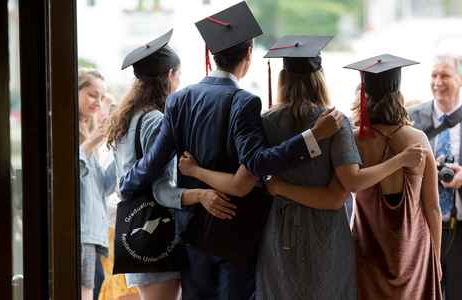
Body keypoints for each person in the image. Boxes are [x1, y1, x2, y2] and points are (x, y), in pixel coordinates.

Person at [118, 2, 344, 299]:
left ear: (211, 56)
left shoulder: (179, 99)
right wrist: (312, 137)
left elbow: (153, 161)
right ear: (249, 53)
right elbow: (258, 162)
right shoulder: (244, 101)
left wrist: (127, 183)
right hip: (235, 231)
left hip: (193, 231)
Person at [177, 38, 426, 300]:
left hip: (278, 233)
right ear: (319, 78)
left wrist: (196, 171)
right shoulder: (334, 122)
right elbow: (337, 196)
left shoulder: (264, 122)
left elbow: (242, 181)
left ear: (283, 78)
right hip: (326, 237)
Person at [104, 30, 232, 300]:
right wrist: (201, 195)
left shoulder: (129, 118)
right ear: (170, 75)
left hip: (136, 232)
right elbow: (162, 189)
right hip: (156, 234)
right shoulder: (154, 120)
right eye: (179, 75)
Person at [341, 54, 442, 299]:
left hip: (367, 252)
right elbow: (433, 209)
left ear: (364, 96)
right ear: (399, 95)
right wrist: (435, 259)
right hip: (414, 255)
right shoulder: (418, 139)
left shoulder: (354, 140)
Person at [408, 53, 462, 300]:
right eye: (434, 75)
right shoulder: (412, 118)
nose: (438, 82)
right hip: (422, 228)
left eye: (445, 75)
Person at [78, 68, 117, 300]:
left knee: (91, 291)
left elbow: (105, 185)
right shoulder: (65, 128)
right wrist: (91, 143)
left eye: (101, 97)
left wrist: (117, 146)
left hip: (94, 233)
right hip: (83, 232)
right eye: (93, 95)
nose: (98, 102)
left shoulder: (87, 132)